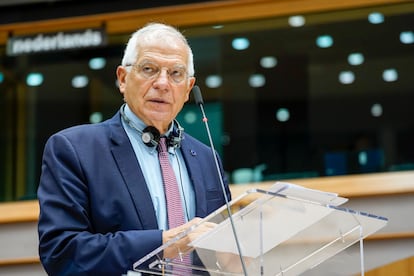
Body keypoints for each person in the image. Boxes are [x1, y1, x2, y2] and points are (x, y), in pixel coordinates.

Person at [37, 22, 231, 275]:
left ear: (187, 89)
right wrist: (165, 243)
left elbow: (223, 253)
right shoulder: (74, 149)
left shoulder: (208, 159)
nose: (162, 83)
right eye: (149, 69)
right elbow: (61, 252)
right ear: (122, 78)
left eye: (175, 74)